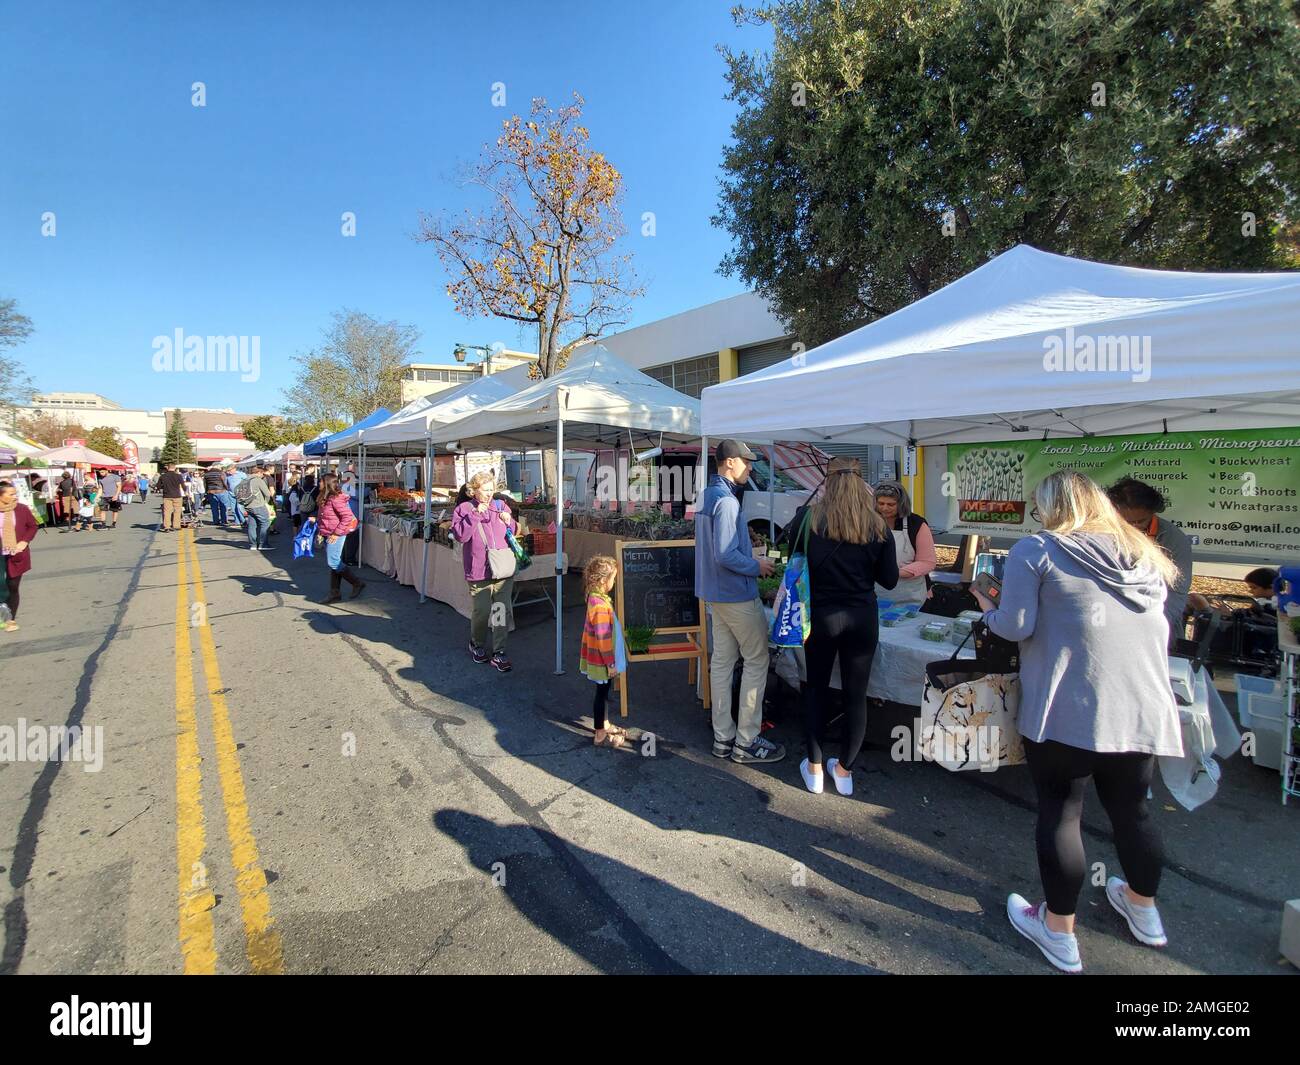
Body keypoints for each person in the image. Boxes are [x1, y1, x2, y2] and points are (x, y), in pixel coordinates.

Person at [970, 470, 1182, 974]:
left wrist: (986, 610)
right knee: (1133, 810)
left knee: (1062, 813)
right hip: (1140, 704)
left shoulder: (1037, 550)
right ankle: (1144, 908)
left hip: (1067, 706)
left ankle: (1059, 931)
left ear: (1053, 508)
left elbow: (1015, 624)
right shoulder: (1142, 553)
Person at [786, 458, 898, 796]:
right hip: (862, 617)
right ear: (861, 484)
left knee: (816, 689)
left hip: (820, 616)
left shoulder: (808, 519)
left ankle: (816, 767)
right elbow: (890, 580)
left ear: (828, 483)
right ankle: (845, 771)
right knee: (855, 695)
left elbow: (791, 557)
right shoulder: (878, 526)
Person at [695, 439, 783, 765]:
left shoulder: (708, 496)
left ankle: (723, 738)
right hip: (736, 594)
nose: (750, 467)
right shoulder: (728, 502)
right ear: (730, 462)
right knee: (757, 661)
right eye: (746, 462)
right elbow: (726, 554)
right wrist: (756, 565)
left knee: (721, 663)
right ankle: (745, 741)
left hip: (714, 595)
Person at [1106, 477, 1194, 642]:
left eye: (1141, 521)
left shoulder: (1173, 538)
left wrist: (1149, 627)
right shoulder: (1100, 532)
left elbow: (1177, 592)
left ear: (1152, 513)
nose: (1134, 527)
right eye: (1126, 522)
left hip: (1156, 631)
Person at [451, 471, 517, 672]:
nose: (489, 494)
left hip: (502, 569)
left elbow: (513, 532)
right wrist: (476, 514)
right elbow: (460, 536)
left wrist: (510, 522)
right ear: (474, 490)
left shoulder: (500, 505)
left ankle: (499, 651)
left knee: (501, 610)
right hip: (479, 570)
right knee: (482, 611)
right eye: (485, 490)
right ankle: (476, 643)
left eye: (491, 490)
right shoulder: (464, 508)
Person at [579, 555, 630, 748]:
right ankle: (600, 734)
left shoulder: (596, 598)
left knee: (604, 691)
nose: (614, 582)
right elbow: (603, 637)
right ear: (602, 580)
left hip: (601, 658)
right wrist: (610, 663)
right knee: (602, 693)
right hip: (602, 660)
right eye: (613, 578)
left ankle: (605, 724)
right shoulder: (599, 606)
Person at [870, 479, 936, 603]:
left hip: (910, 594)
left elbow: (927, 562)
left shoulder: (916, 524)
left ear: (901, 504)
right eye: (881, 503)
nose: (885, 508)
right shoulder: (869, 523)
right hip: (876, 592)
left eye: (891, 504)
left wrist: (894, 573)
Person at [314, 473, 364, 602]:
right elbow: (324, 516)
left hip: (335, 534)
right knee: (334, 562)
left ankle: (356, 583)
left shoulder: (336, 498)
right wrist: (320, 529)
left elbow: (347, 517)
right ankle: (334, 593)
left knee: (333, 562)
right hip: (328, 532)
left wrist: (336, 534)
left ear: (326, 483)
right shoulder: (325, 497)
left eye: (320, 482)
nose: (318, 484)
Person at [0, 480, 38, 632]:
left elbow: (32, 526)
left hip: (16, 553)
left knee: (12, 586)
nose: (15, 497)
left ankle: (10, 619)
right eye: (11, 494)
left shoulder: (21, 509)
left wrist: (24, 541)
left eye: (15, 494)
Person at [244, 464, 274, 550]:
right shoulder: (258, 480)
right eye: (262, 474)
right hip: (258, 504)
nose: (263, 476)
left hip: (248, 505)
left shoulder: (246, 479)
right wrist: (265, 502)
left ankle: (252, 545)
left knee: (252, 525)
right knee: (265, 523)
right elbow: (268, 494)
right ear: (259, 473)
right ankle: (263, 544)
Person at [157, 463, 185, 532]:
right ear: (175, 468)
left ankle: (167, 526)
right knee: (177, 511)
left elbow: (158, 486)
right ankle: (176, 526)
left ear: (167, 468)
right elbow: (183, 485)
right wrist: (186, 492)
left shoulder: (163, 476)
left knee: (167, 511)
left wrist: (164, 487)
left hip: (167, 496)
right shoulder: (178, 476)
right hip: (177, 495)